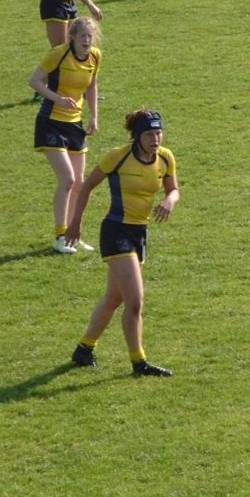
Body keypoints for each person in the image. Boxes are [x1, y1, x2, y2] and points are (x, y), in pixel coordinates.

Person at [66, 110, 179, 378]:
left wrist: (169, 200)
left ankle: (84, 349)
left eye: (158, 133)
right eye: (149, 134)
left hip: (140, 233)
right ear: (137, 136)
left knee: (114, 297)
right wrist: (75, 223)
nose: (155, 138)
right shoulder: (118, 157)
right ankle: (139, 362)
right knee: (135, 301)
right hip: (116, 231)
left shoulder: (165, 157)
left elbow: (173, 188)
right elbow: (87, 186)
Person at [29, 16, 102, 255]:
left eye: (90, 37)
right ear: (72, 36)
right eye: (83, 37)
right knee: (68, 179)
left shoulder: (95, 57)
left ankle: (73, 234)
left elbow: (92, 86)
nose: (87, 41)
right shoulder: (58, 54)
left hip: (75, 125)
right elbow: (35, 81)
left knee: (80, 183)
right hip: (50, 122)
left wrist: (94, 116)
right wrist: (58, 98)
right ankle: (60, 236)